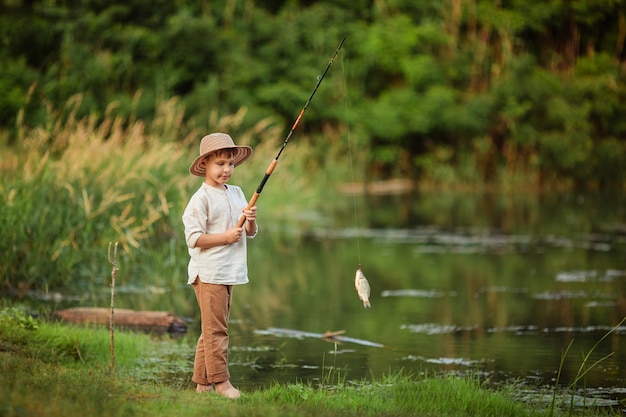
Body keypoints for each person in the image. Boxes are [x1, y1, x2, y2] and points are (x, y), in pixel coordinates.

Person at [182, 132, 258, 399]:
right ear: (205, 165)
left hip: (229, 271)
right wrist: (224, 237)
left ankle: (202, 385)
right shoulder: (200, 199)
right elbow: (193, 239)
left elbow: (250, 232)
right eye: (220, 164)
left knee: (210, 329)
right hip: (210, 272)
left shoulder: (237, 192)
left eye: (230, 164)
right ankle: (221, 383)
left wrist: (249, 219)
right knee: (217, 331)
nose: (227, 169)